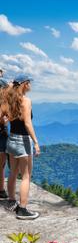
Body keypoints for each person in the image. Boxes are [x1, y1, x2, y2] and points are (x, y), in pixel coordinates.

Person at [6, 74, 40, 220]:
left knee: (13, 173)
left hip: (11, 139)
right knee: (26, 176)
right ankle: (23, 209)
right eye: (30, 82)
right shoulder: (26, 100)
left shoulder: (10, 99)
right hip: (23, 141)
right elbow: (27, 122)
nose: (31, 85)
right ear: (25, 84)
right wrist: (36, 142)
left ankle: (11, 200)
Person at [0, 78, 9, 200]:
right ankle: (1, 189)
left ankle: (1, 189)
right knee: (1, 164)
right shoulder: (3, 103)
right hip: (1, 134)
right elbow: (4, 121)